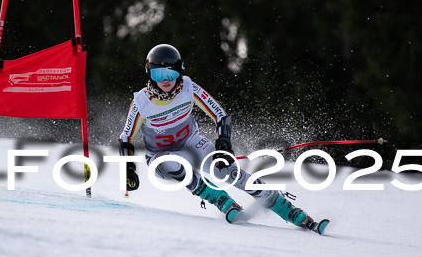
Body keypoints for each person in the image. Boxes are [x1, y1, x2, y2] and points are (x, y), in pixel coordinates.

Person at [118, 43, 328, 233]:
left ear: (180, 72)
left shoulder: (189, 88)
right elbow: (126, 138)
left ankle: (287, 209)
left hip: (191, 144)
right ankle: (220, 199)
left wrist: (224, 146)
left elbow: (220, 115)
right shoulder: (141, 103)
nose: (165, 80)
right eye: (158, 73)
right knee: (169, 162)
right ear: (149, 73)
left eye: (171, 73)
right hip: (161, 157)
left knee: (227, 171)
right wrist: (129, 170)